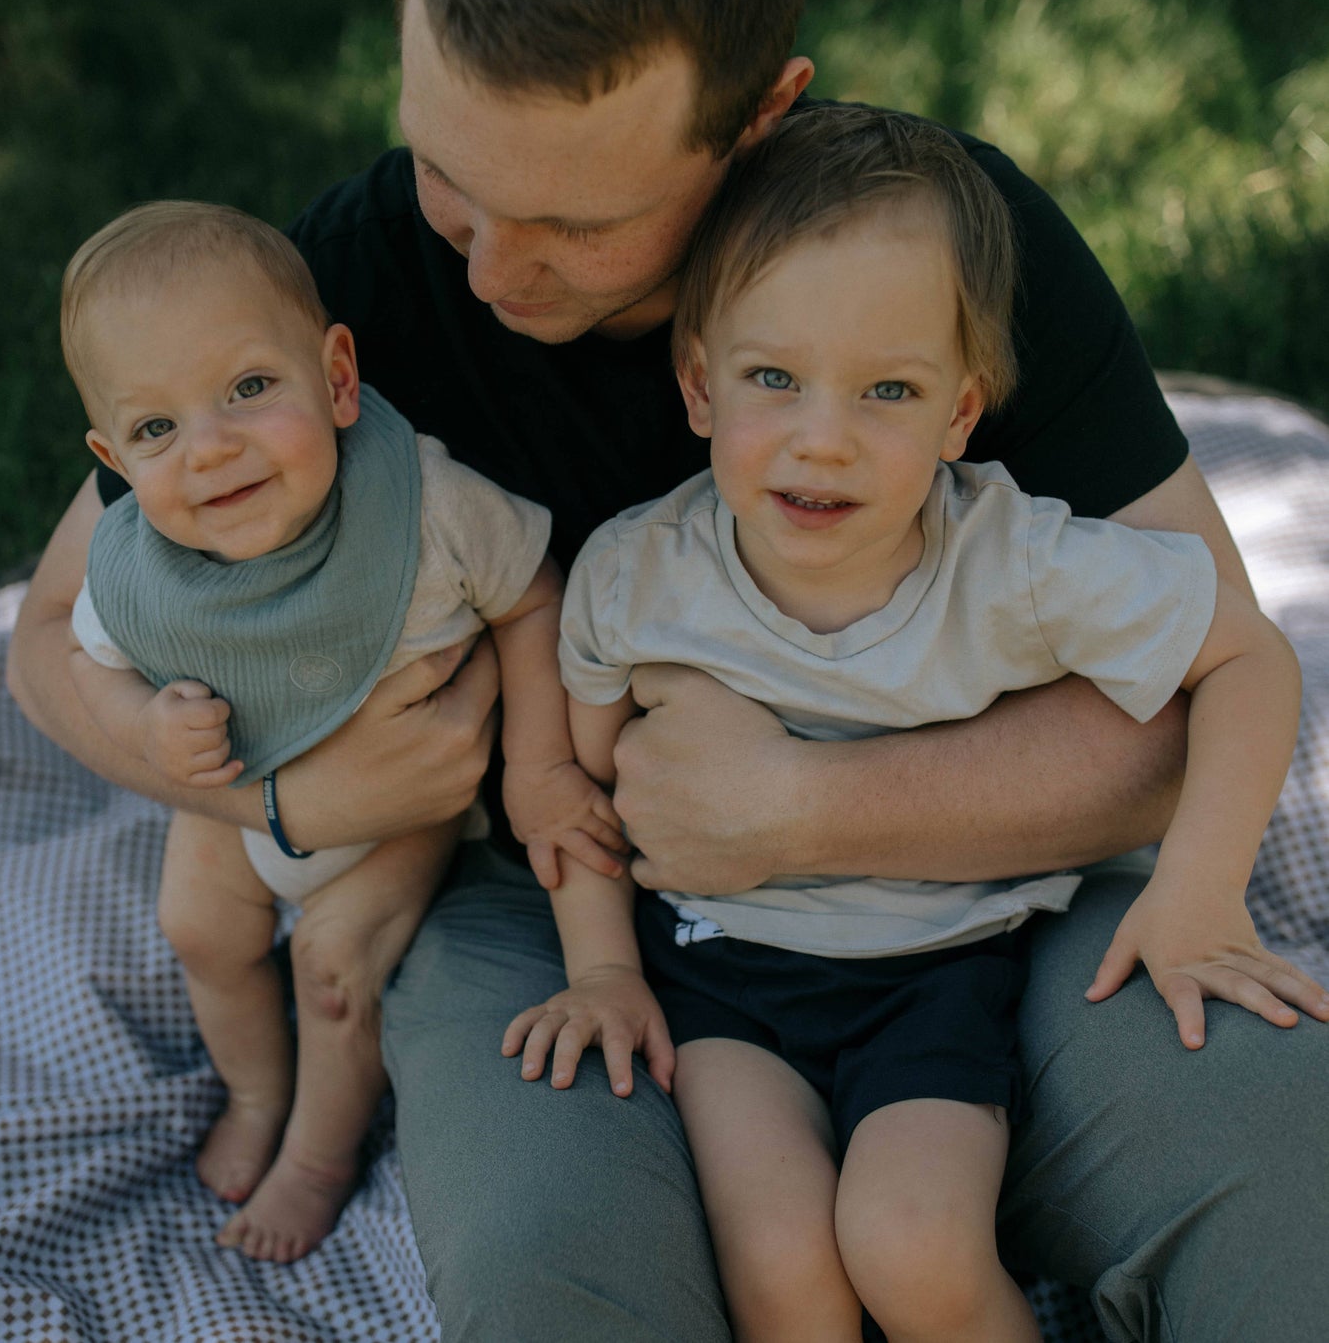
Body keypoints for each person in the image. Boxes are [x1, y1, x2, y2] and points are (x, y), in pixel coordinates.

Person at [6, 0, 1329, 1337]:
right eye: (449, 174)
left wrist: (810, 809)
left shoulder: (928, 250)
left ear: (759, 118)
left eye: (580, 222)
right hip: (543, 918)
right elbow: (55, 625)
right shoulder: (355, 280)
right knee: (552, 1282)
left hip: (990, 889)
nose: (491, 272)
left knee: (1286, 1178)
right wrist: (292, 792)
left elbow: (1208, 675)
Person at [502, 103, 1313, 1342]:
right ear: (699, 383)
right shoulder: (634, 575)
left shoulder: (1013, 563)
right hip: (722, 974)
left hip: (937, 963)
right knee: (781, 1272)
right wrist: (604, 967)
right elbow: (591, 787)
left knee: (911, 1247)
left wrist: (1198, 890)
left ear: (958, 415)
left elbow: (1247, 654)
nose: (821, 437)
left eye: (887, 389)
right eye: (773, 378)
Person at [57, 200, 621, 1263]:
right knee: (200, 931)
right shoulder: (142, 565)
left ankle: (318, 1151)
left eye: (249, 388)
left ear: (337, 376)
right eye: (156, 428)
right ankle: (257, 1091)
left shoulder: (423, 506)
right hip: (240, 784)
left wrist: (539, 764)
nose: (210, 448)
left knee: (332, 960)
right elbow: (94, 664)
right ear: (116, 461)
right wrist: (148, 727)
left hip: (408, 803)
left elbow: (532, 595)